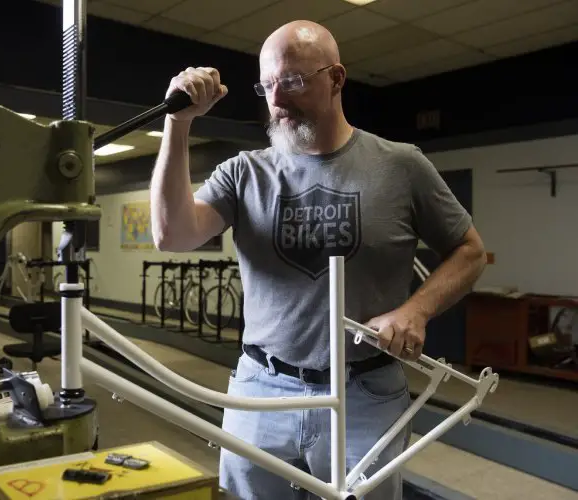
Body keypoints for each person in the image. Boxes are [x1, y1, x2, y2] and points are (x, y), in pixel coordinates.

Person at [149, 19, 487, 500]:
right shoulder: (245, 173)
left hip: (365, 391)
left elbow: (470, 251)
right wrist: (177, 122)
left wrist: (416, 310)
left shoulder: (401, 165)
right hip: (260, 388)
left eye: (293, 82)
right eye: (267, 86)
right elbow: (171, 234)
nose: (277, 101)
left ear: (337, 79)